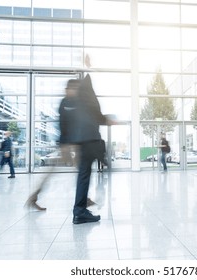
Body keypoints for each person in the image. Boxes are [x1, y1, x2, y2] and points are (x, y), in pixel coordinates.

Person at [69, 54, 115, 224]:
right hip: (88, 137)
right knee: (86, 173)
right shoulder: (84, 86)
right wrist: (105, 120)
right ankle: (79, 210)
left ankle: (79, 210)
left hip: (84, 137)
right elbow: (94, 110)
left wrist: (104, 120)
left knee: (84, 174)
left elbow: (92, 110)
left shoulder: (81, 91)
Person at [25, 79, 80, 211]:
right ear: (69, 89)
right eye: (75, 89)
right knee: (77, 171)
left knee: (79, 170)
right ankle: (33, 197)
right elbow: (67, 124)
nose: (77, 92)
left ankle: (33, 197)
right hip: (68, 144)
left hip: (71, 143)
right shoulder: (66, 103)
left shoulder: (71, 102)